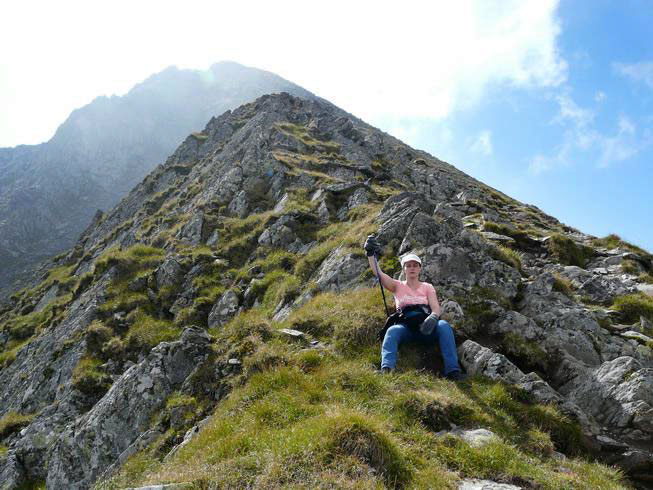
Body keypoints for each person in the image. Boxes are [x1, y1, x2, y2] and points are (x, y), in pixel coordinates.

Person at [364, 235, 467, 381]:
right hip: (406, 328)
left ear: (419, 269)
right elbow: (378, 273)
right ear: (404, 269)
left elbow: (436, 308)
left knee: (443, 325)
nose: (412, 268)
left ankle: (453, 371)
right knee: (393, 330)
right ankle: (386, 368)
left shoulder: (427, 287)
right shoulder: (396, 286)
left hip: (428, 328)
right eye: (408, 265)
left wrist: (433, 318)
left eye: (415, 265)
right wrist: (370, 254)